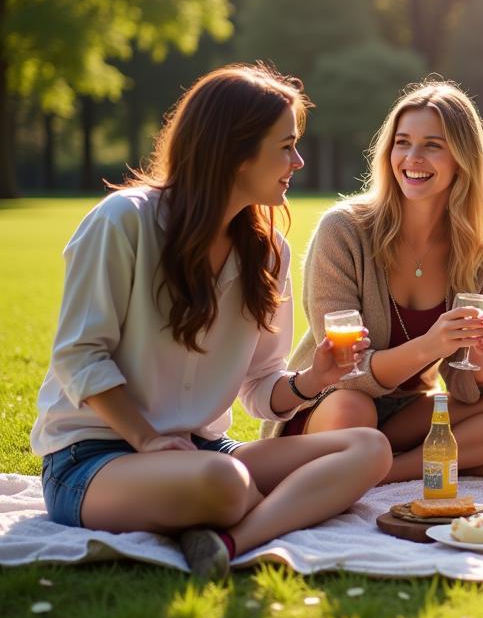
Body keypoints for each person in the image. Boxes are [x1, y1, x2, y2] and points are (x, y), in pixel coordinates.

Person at [32, 65, 392, 579]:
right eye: (285, 146)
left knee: (368, 447)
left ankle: (228, 540)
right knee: (225, 482)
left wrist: (316, 378)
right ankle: (274, 507)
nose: (299, 160)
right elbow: (78, 356)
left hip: (201, 451)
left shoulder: (268, 254)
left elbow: (260, 388)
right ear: (234, 151)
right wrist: (148, 439)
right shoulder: (123, 222)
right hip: (93, 458)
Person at [262, 78, 483, 479]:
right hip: (331, 408)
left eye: (433, 145)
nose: (412, 158)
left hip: (405, 417)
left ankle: (388, 472)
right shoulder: (343, 230)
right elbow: (347, 369)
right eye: (402, 142)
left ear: (463, 158)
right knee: (355, 410)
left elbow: (467, 391)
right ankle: (444, 461)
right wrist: (429, 345)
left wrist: (481, 358)